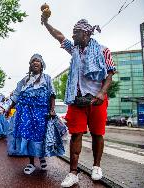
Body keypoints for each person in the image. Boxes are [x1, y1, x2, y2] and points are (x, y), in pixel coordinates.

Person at [42, 15, 116, 187]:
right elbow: (58, 36)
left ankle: (96, 167)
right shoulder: (74, 49)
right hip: (77, 100)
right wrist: (46, 23)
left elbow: (110, 74)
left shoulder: (103, 50)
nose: (72, 36)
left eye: (75, 33)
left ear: (85, 34)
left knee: (98, 133)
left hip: (96, 99)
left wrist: (102, 94)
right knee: (76, 134)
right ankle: (73, 172)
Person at [6, 54, 57, 175]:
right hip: (26, 113)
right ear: (30, 65)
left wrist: (52, 109)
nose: (35, 63)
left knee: (40, 136)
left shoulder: (47, 78)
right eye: (33, 61)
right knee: (27, 136)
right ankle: (31, 163)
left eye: (38, 61)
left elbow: (52, 95)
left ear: (42, 65)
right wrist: (9, 108)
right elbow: (16, 96)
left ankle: (42, 158)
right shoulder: (24, 80)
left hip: (41, 112)